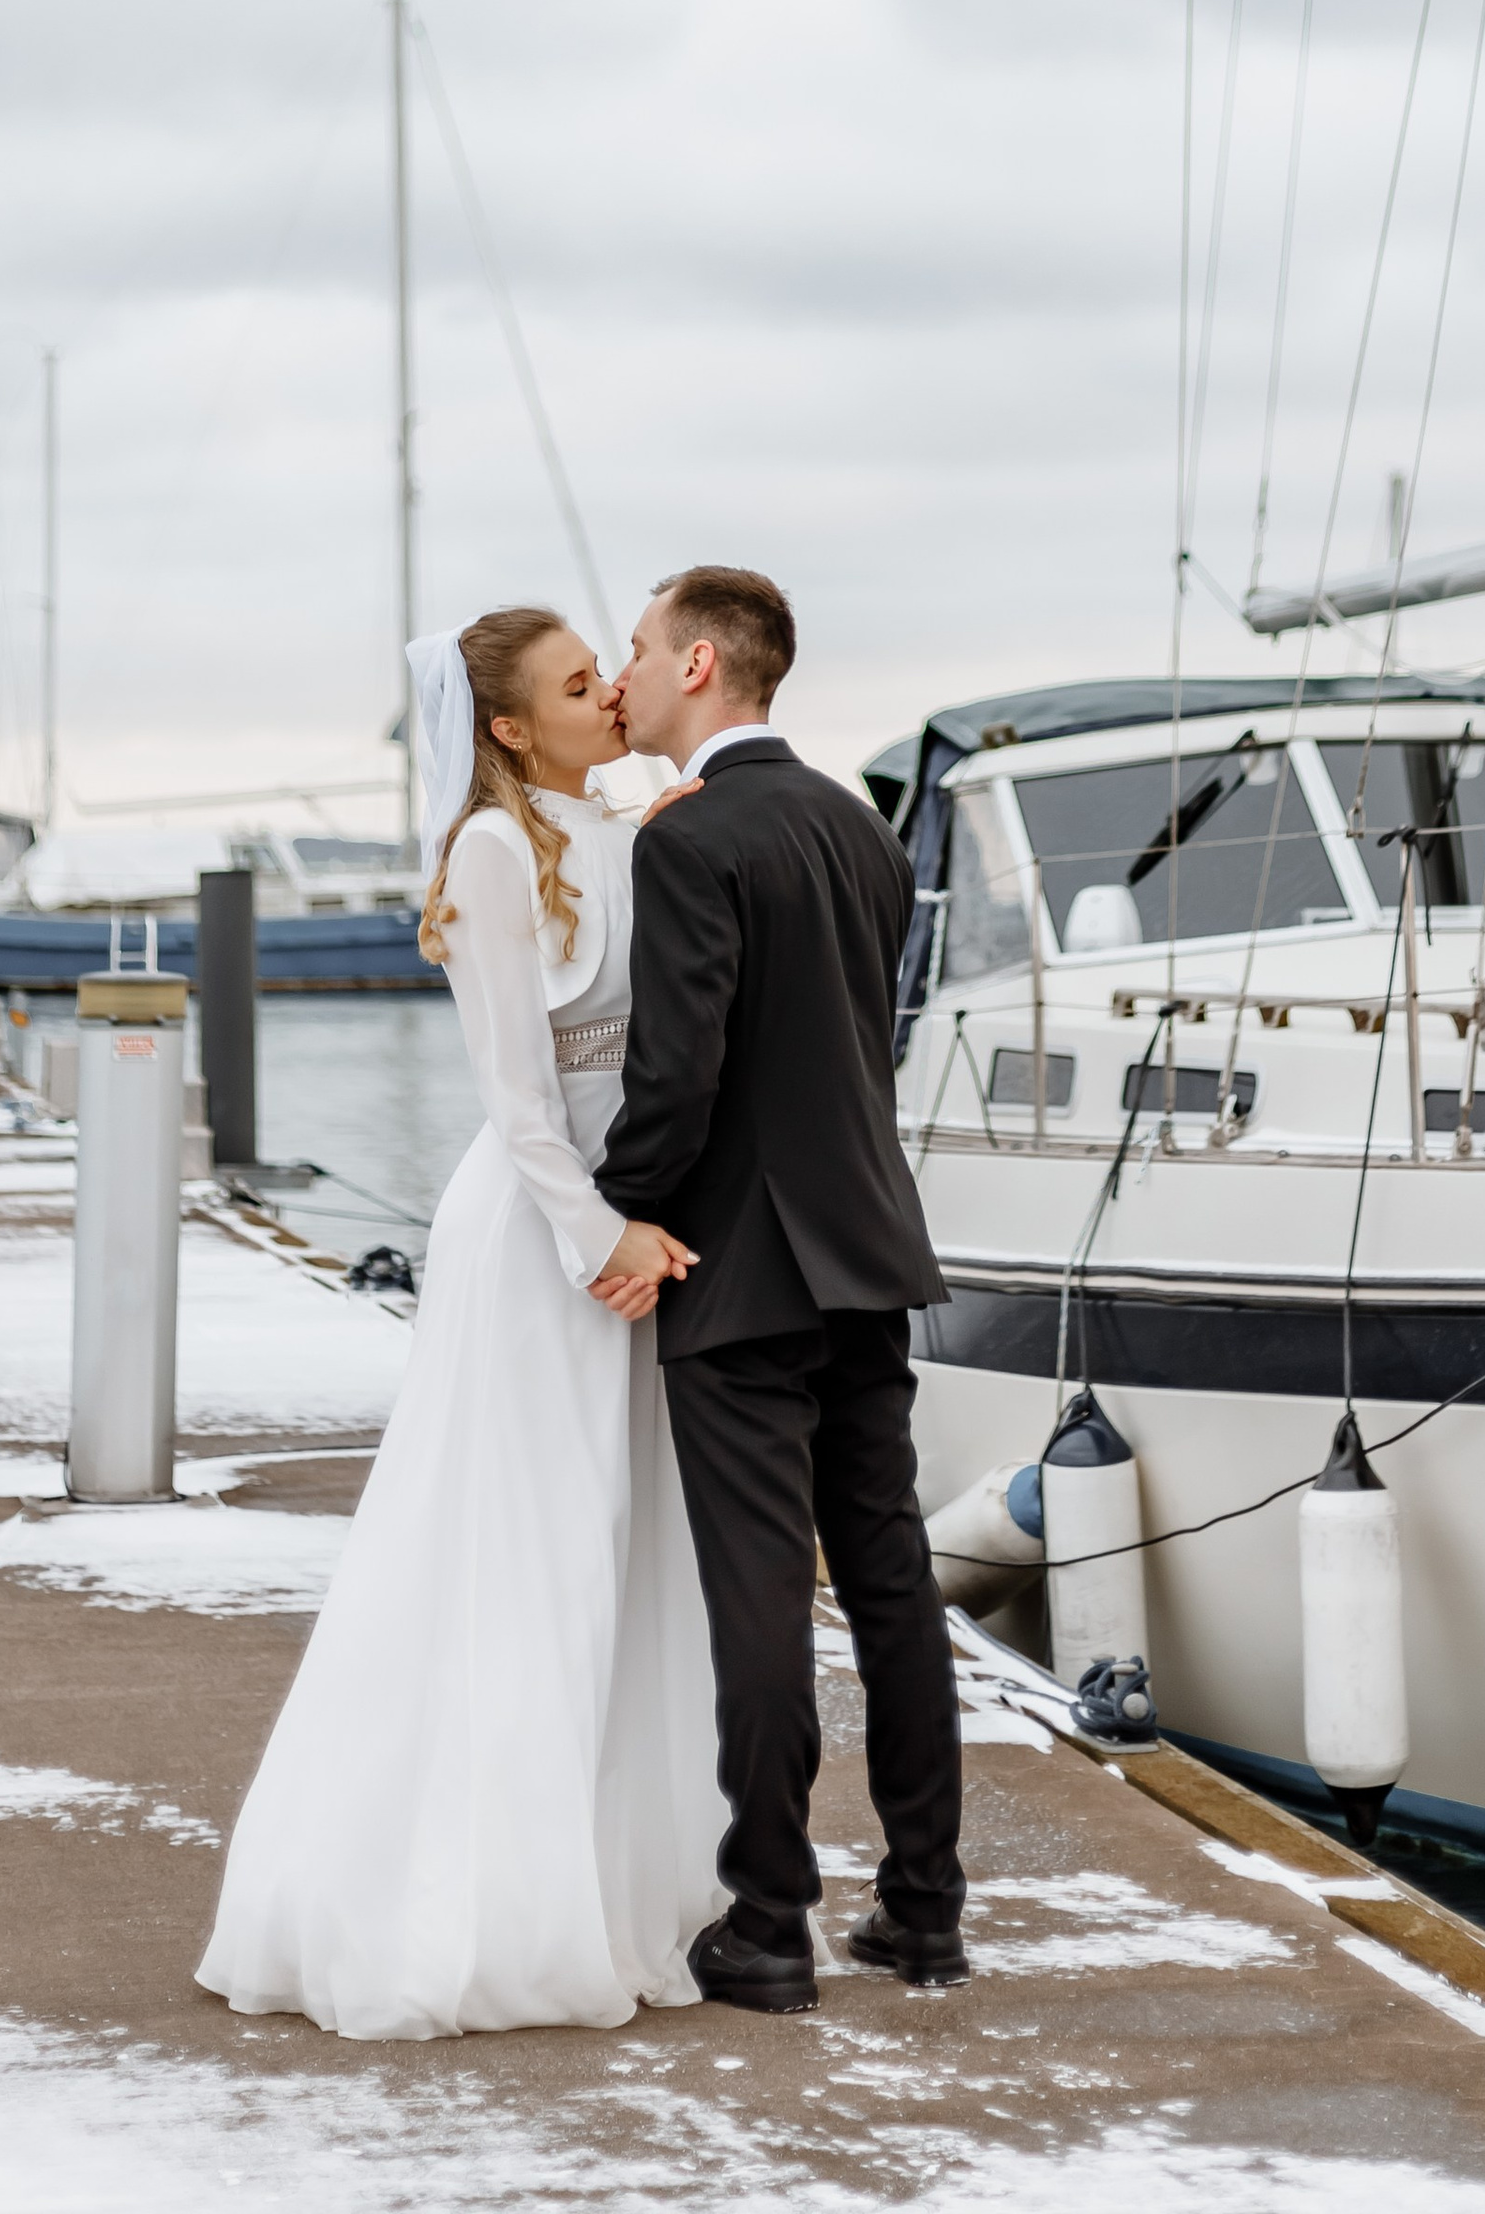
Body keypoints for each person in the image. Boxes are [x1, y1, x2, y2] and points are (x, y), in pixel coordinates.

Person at [195, 605, 724, 2037]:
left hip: (627, 1224)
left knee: (619, 1548)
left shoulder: (619, 816)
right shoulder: (492, 854)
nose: (608, 691)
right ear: (505, 724)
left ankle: (611, 1881)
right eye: (573, 683)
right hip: (545, 1234)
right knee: (528, 1548)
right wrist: (598, 1235)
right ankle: (490, 1897)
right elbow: (515, 1093)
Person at [593, 563, 965, 2014]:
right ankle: (924, 1913)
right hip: (870, 1256)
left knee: (758, 1594)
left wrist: (617, 1209)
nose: (621, 670)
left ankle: (770, 1922)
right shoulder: (861, 830)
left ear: (698, 665)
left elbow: (677, 1079)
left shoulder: (691, 845)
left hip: (741, 1268)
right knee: (889, 1585)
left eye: (634, 647)